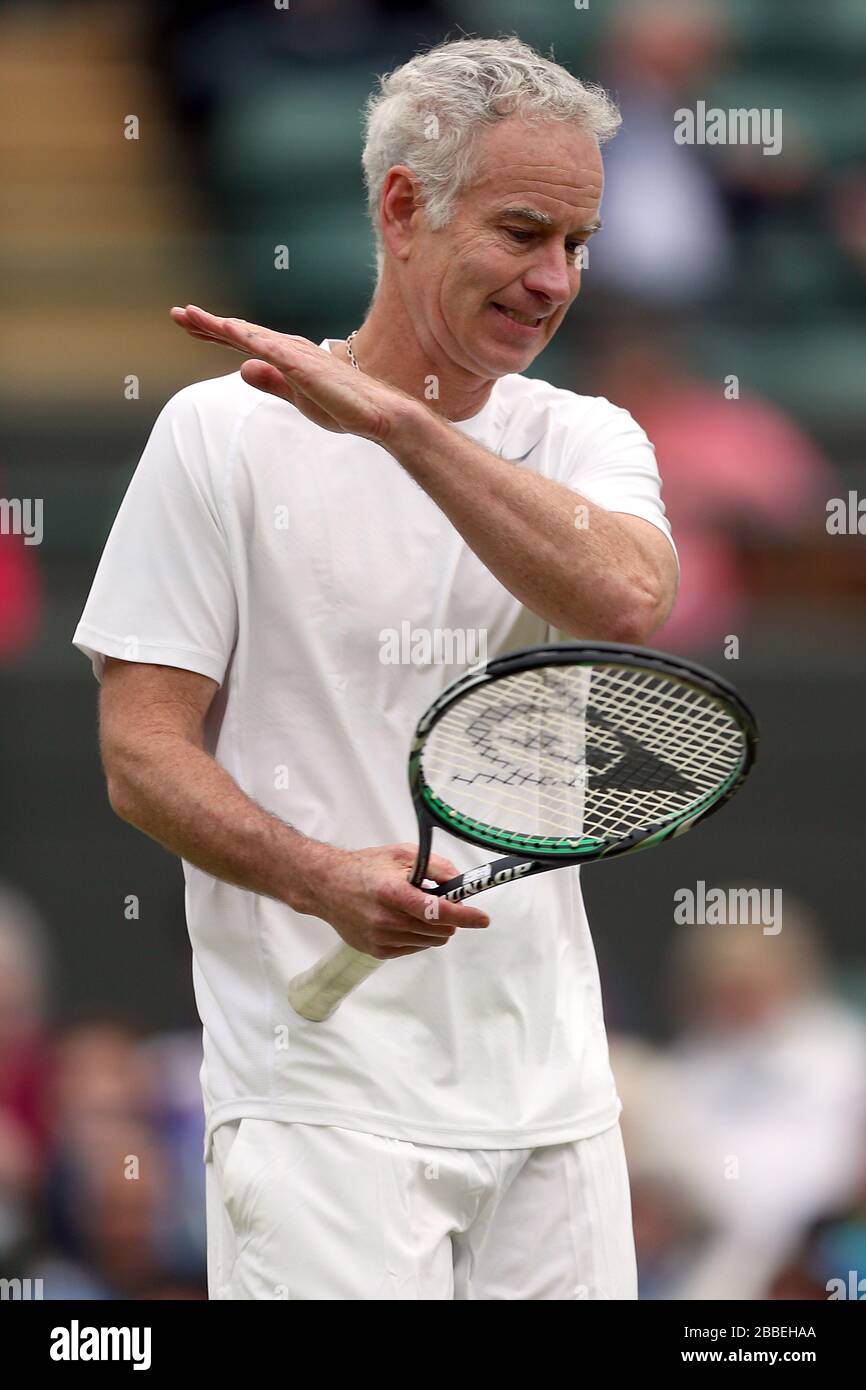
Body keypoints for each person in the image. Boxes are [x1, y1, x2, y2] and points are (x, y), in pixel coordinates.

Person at [73, 36, 678, 1300]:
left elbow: (624, 593)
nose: (554, 278)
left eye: (577, 242)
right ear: (403, 206)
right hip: (316, 1107)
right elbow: (141, 755)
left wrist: (400, 419)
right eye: (522, 233)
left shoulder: (587, 435)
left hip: (554, 1109)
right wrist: (317, 877)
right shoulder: (217, 432)